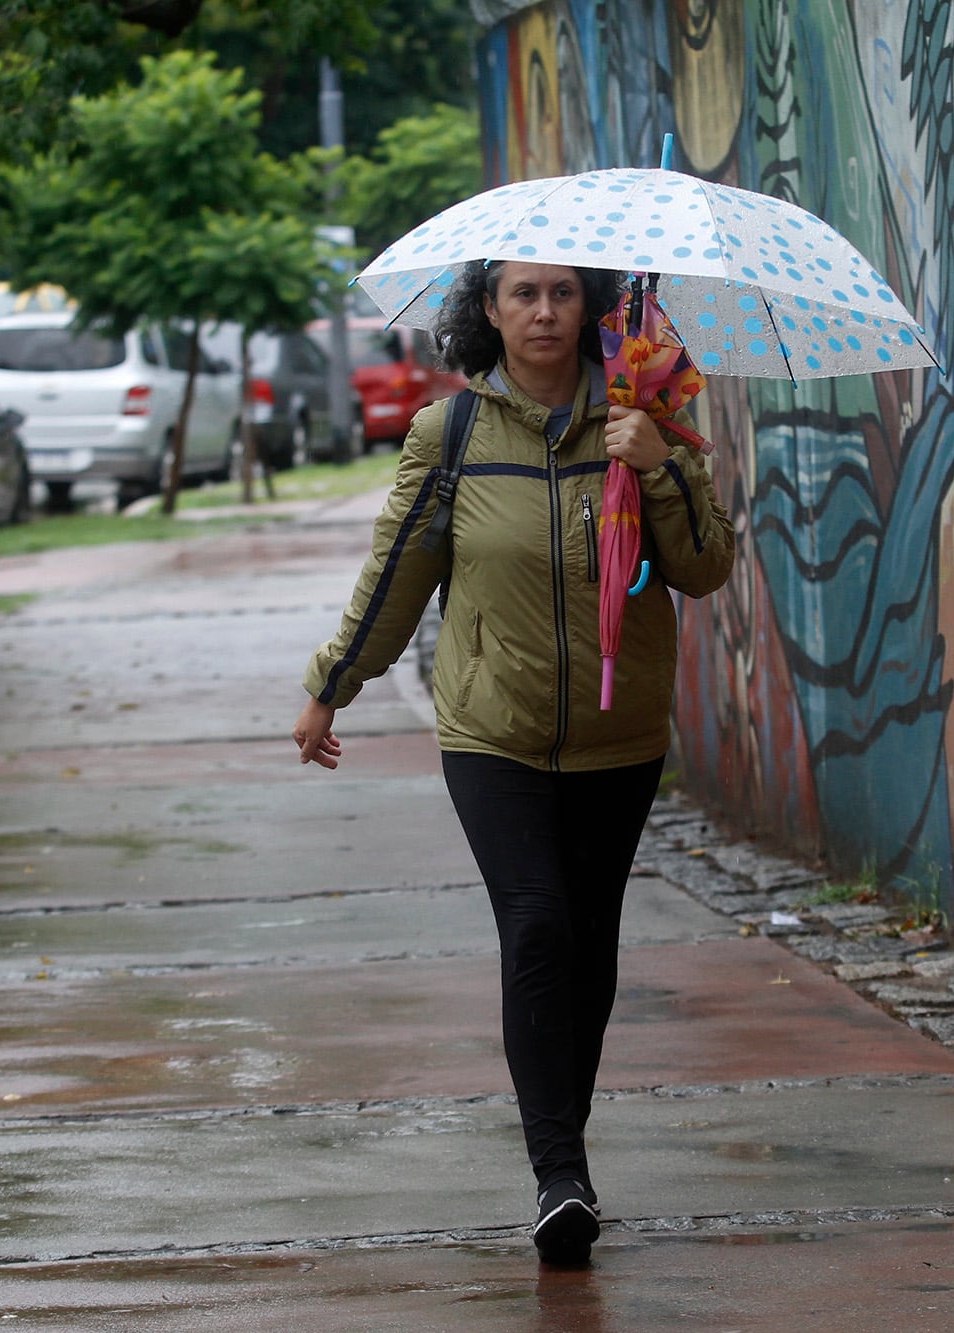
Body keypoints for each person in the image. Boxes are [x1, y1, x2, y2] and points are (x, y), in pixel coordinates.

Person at [292, 261, 736, 1266]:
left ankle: (562, 1152)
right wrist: (333, 682)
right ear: (487, 311)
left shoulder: (644, 416)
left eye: (562, 294)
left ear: (589, 307)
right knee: (537, 925)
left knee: (589, 939)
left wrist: (657, 464)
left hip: (618, 733)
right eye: (522, 294)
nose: (543, 312)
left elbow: (706, 566)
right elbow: (396, 573)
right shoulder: (448, 435)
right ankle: (560, 1174)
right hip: (491, 729)